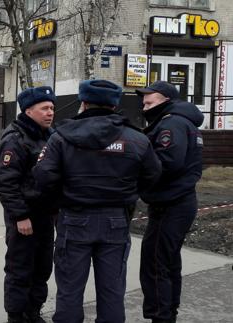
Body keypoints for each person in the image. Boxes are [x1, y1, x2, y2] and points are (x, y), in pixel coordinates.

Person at [33, 80, 161, 323]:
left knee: (70, 290)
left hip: (74, 219)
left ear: (83, 102)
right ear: (115, 105)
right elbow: (153, 176)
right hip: (116, 220)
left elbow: (42, 177)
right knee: (112, 292)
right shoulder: (136, 139)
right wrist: (126, 193)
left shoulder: (61, 137)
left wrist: (62, 197)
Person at [136, 81, 204, 323]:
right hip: (178, 202)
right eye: (143, 103)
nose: (145, 108)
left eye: (150, 102)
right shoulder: (179, 121)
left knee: (156, 264)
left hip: (170, 204)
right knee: (168, 262)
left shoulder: (171, 123)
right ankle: (167, 314)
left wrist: (137, 173)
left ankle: (161, 317)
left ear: (166, 100)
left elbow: (167, 162)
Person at [0, 86, 57, 323]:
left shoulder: (50, 136)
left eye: (52, 107)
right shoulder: (15, 139)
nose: (50, 112)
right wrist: (20, 216)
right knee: (20, 269)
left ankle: (33, 312)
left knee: (42, 269)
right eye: (44, 108)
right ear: (29, 110)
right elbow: (5, 184)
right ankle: (17, 315)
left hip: (45, 216)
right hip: (24, 219)